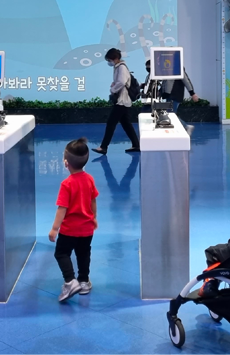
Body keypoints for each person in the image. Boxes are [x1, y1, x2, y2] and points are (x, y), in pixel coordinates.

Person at [48, 138, 99, 303]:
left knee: (61, 253)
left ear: (66, 163)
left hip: (69, 230)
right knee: (83, 253)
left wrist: (55, 228)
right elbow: (93, 200)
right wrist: (94, 217)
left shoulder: (67, 184)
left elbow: (62, 208)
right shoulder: (89, 179)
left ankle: (70, 281)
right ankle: (83, 281)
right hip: (87, 229)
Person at [92, 48, 140, 155]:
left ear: (115, 58)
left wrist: (113, 89)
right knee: (126, 124)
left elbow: (122, 82)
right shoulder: (119, 67)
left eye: (110, 60)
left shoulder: (121, 67)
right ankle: (136, 145)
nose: (109, 62)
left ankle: (103, 147)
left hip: (122, 101)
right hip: (123, 101)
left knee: (111, 123)